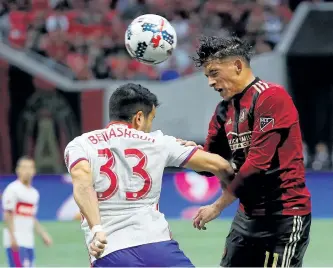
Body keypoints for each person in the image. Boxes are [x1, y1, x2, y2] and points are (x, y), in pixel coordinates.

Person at [64, 83, 234, 267]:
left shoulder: (80, 145)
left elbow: (82, 184)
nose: (151, 126)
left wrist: (97, 228)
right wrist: (219, 205)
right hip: (159, 247)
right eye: (151, 119)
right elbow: (222, 166)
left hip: (109, 250)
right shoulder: (160, 142)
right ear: (138, 118)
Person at [189, 36, 312, 267]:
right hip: (247, 217)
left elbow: (257, 164)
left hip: (284, 216)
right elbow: (209, 164)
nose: (210, 83)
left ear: (237, 65)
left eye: (214, 73)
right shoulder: (223, 109)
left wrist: (217, 206)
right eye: (207, 76)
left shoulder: (271, 97)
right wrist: (184, 153)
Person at [2, 156, 52, 267]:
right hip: (16, 242)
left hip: (29, 241)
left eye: (30, 168)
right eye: (24, 167)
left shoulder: (34, 193)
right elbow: (7, 215)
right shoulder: (13, 189)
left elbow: (31, 217)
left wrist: (43, 234)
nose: (27, 171)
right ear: (17, 170)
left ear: (34, 171)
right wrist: (12, 238)